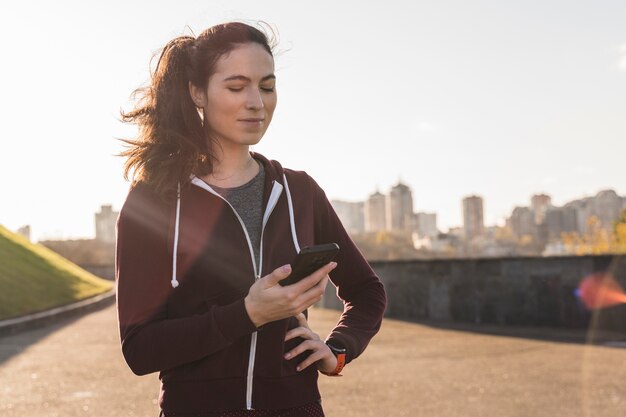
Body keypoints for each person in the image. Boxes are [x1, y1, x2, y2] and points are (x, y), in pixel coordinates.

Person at [115, 21, 386, 417]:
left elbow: (367, 290)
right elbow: (139, 349)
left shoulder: (299, 191)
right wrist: (248, 314)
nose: (256, 102)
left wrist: (338, 350)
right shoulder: (154, 201)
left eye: (267, 86)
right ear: (197, 93)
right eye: (236, 87)